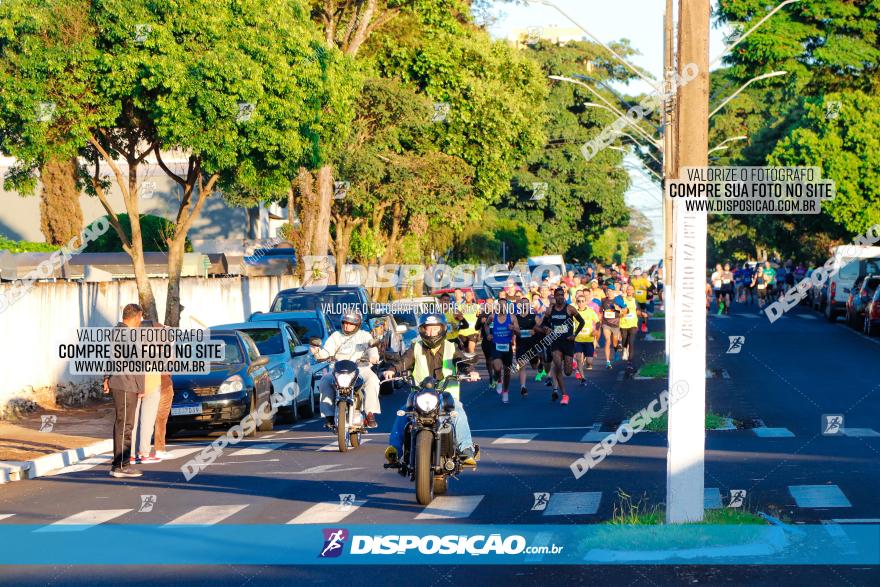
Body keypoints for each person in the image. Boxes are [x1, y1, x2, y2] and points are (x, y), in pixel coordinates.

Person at [383, 313, 481, 466]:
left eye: (435, 329)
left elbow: (461, 362)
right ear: (422, 330)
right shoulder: (416, 347)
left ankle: (466, 449)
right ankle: (394, 450)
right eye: (427, 329)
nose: (431, 333)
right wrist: (392, 370)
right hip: (419, 394)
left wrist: (470, 371)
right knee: (403, 413)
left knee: (458, 411)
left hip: (446, 395)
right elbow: (403, 362)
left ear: (442, 329)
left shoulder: (451, 347)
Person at [311, 311, 381, 429]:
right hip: (338, 369)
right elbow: (326, 351)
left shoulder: (365, 335)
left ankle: (370, 413)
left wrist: (373, 357)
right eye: (344, 323)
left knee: (373, 379)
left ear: (357, 324)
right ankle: (329, 416)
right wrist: (317, 352)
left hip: (360, 368)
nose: (346, 326)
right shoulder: (335, 336)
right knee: (324, 380)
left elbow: (372, 348)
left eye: (350, 323)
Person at [103, 303, 145, 478]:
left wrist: (106, 378)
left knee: (122, 423)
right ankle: (121, 465)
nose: (141, 321)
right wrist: (141, 387)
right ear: (136, 316)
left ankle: (119, 464)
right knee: (126, 425)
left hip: (118, 382)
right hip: (127, 383)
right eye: (140, 318)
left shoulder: (115, 331)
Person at [535, 287, 585, 405]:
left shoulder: (570, 309)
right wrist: (546, 328)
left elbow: (582, 322)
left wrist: (574, 335)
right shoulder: (550, 310)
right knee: (557, 365)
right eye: (558, 295)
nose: (560, 297)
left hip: (567, 342)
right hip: (555, 342)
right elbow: (543, 325)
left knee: (567, 371)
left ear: (564, 296)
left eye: (562, 295)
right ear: (554, 296)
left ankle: (568, 365)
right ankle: (564, 395)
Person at [130, 320, 166, 464]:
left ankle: (131, 455)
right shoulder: (158, 347)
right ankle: (143, 453)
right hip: (150, 384)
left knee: (132, 423)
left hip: (136, 385)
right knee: (147, 422)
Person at [487, 301, 520, 403]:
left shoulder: (512, 317)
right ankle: (499, 380)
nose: (502, 307)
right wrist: (488, 334)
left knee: (507, 372)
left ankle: (505, 391)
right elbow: (486, 325)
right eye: (500, 305)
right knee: (497, 367)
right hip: (496, 345)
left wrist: (513, 328)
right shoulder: (492, 316)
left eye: (504, 305)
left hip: (507, 347)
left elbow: (519, 332)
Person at [514, 298, 540, 398]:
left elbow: (539, 327)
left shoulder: (534, 316)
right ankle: (523, 387)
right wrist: (521, 331)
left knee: (534, 366)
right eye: (522, 304)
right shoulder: (516, 317)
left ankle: (539, 364)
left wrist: (535, 330)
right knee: (522, 365)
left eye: (526, 304)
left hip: (532, 345)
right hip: (521, 344)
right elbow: (516, 330)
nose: (524, 305)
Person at [573, 292, 601, 381]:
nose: (581, 303)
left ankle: (585, 362)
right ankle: (581, 374)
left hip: (589, 339)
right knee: (578, 357)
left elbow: (597, 322)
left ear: (585, 302)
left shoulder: (590, 311)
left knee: (589, 361)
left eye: (582, 301)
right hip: (578, 339)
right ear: (576, 302)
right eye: (579, 301)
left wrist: (596, 330)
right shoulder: (574, 312)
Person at [600, 285, 626, 369]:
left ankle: (616, 351)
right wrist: (599, 320)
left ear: (614, 292)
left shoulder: (618, 300)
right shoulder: (603, 300)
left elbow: (625, 310)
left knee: (615, 342)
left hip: (615, 324)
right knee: (607, 340)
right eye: (607, 291)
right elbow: (601, 311)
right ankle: (608, 362)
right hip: (606, 323)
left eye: (611, 291)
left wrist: (618, 309)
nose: (609, 292)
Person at [619, 285, 639, 365]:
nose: (630, 291)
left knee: (631, 342)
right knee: (624, 339)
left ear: (633, 291)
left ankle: (630, 361)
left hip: (633, 323)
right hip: (623, 323)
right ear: (626, 291)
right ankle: (624, 349)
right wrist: (621, 313)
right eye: (628, 289)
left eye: (631, 289)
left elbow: (637, 310)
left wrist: (641, 313)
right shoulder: (622, 300)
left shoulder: (635, 300)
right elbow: (618, 310)